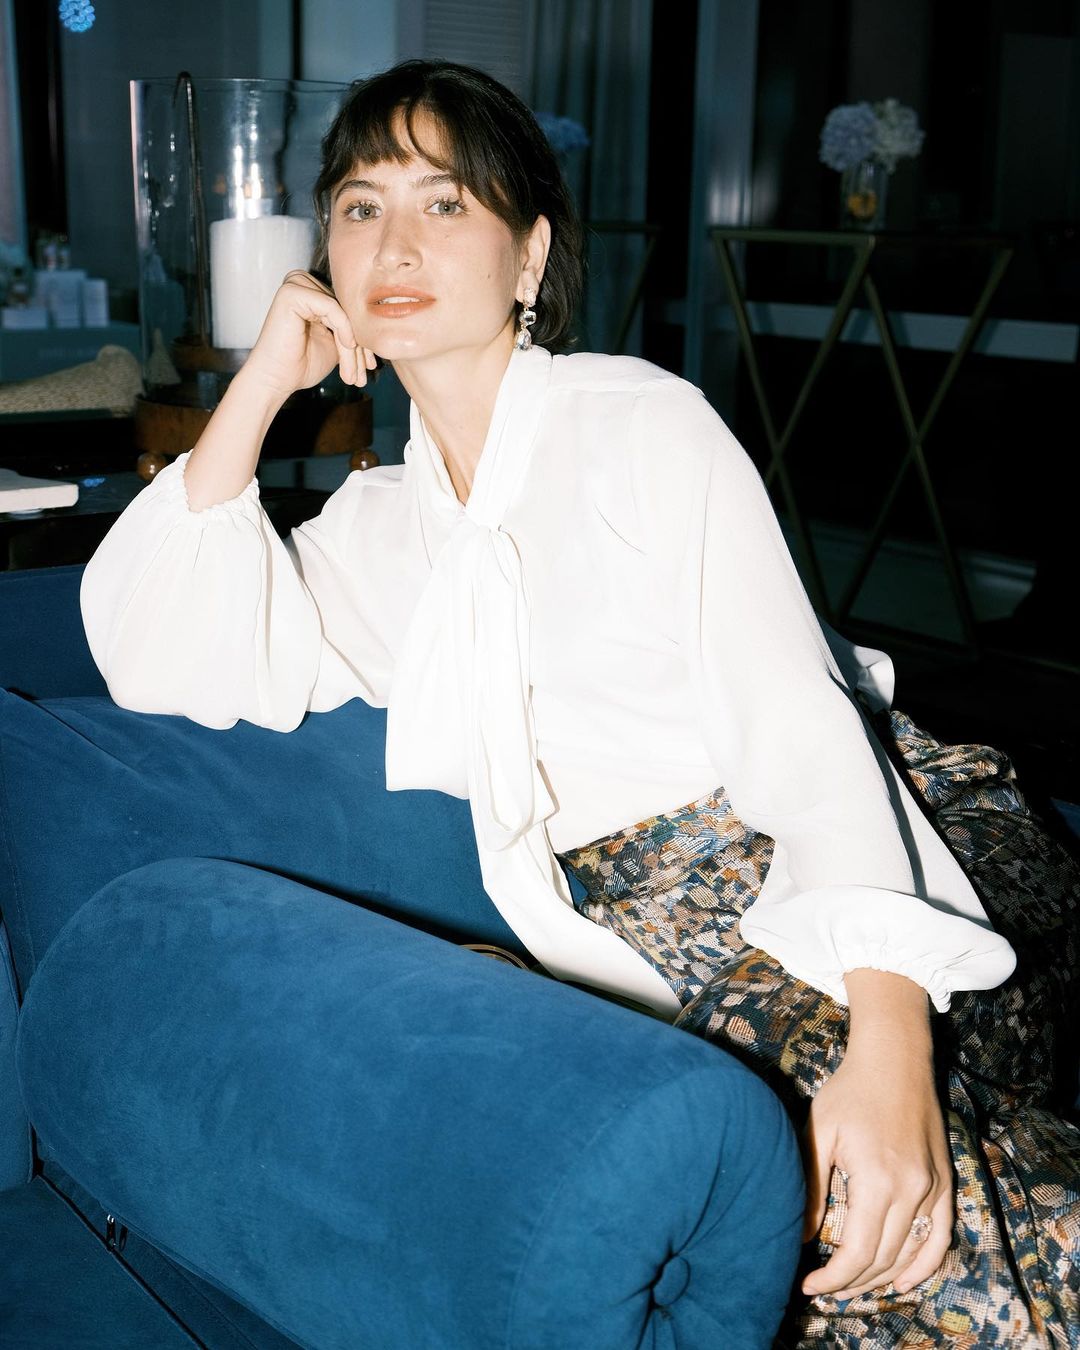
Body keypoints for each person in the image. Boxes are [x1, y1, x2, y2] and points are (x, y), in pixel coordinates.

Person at [80, 60, 1078, 1347]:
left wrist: (890, 1043)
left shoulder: (641, 427)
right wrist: (261, 383)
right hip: (665, 935)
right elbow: (161, 651)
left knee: (892, 1210)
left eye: (446, 203)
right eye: (361, 207)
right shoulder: (378, 530)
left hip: (891, 852)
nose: (395, 244)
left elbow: (808, 739)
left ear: (532, 255)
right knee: (801, 1215)